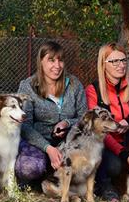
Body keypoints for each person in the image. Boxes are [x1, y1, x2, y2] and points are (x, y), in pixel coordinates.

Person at [85, 42, 129, 201]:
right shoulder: (93, 91)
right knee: (115, 166)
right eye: (114, 61)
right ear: (103, 64)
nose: (121, 65)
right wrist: (125, 155)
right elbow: (97, 131)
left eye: (123, 60)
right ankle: (104, 185)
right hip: (108, 145)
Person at [16, 41, 87, 189]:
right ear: (41, 61)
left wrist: (67, 123)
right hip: (38, 142)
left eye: (60, 60)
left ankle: (54, 175)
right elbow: (24, 125)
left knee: (84, 165)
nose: (57, 65)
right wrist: (48, 148)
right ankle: (38, 175)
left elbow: (84, 118)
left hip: (68, 142)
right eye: (51, 60)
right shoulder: (28, 86)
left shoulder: (74, 84)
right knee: (29, 168)